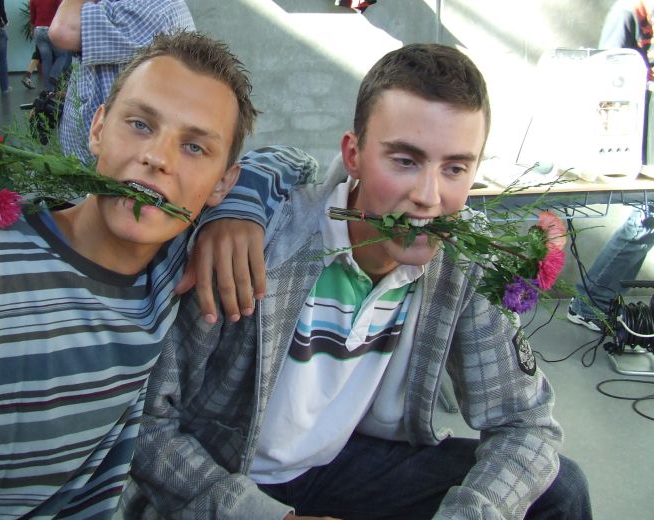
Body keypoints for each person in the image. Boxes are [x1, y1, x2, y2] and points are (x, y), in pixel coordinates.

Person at [0, 31, 317, 517]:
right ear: (97, 128)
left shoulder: (169, 264)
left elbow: (295, 161)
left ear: (222, 183)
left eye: (195, 148)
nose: (157, 157)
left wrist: (239, 212)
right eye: (139, 124)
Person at [129, 44, 593, 519]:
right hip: (228, 475)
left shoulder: (464, 261)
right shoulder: (259, 240)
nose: (428, 196)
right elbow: (147, 426)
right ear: (353, 154)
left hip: (336, 466)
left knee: (560, 490)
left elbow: (525, 423)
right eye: (405, 161)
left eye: (455, 168)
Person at [50, 0, 194, 164]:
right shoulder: (129, 0)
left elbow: (62, 30)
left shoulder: (149, 6)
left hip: (118, 174)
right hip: (99, 169)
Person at [568, 0, 654, 332]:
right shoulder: (630, 12)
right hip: (640, 139)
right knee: (648, 217)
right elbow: (604, 86)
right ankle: (590, 302)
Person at [29, 0, 69, 92]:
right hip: (51, 30)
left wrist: (32, 30)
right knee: (62, 55)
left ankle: (49, 89)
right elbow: (62, 12)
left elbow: (32, 17)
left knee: (46, 59)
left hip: (38, 31)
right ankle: (54, 77)